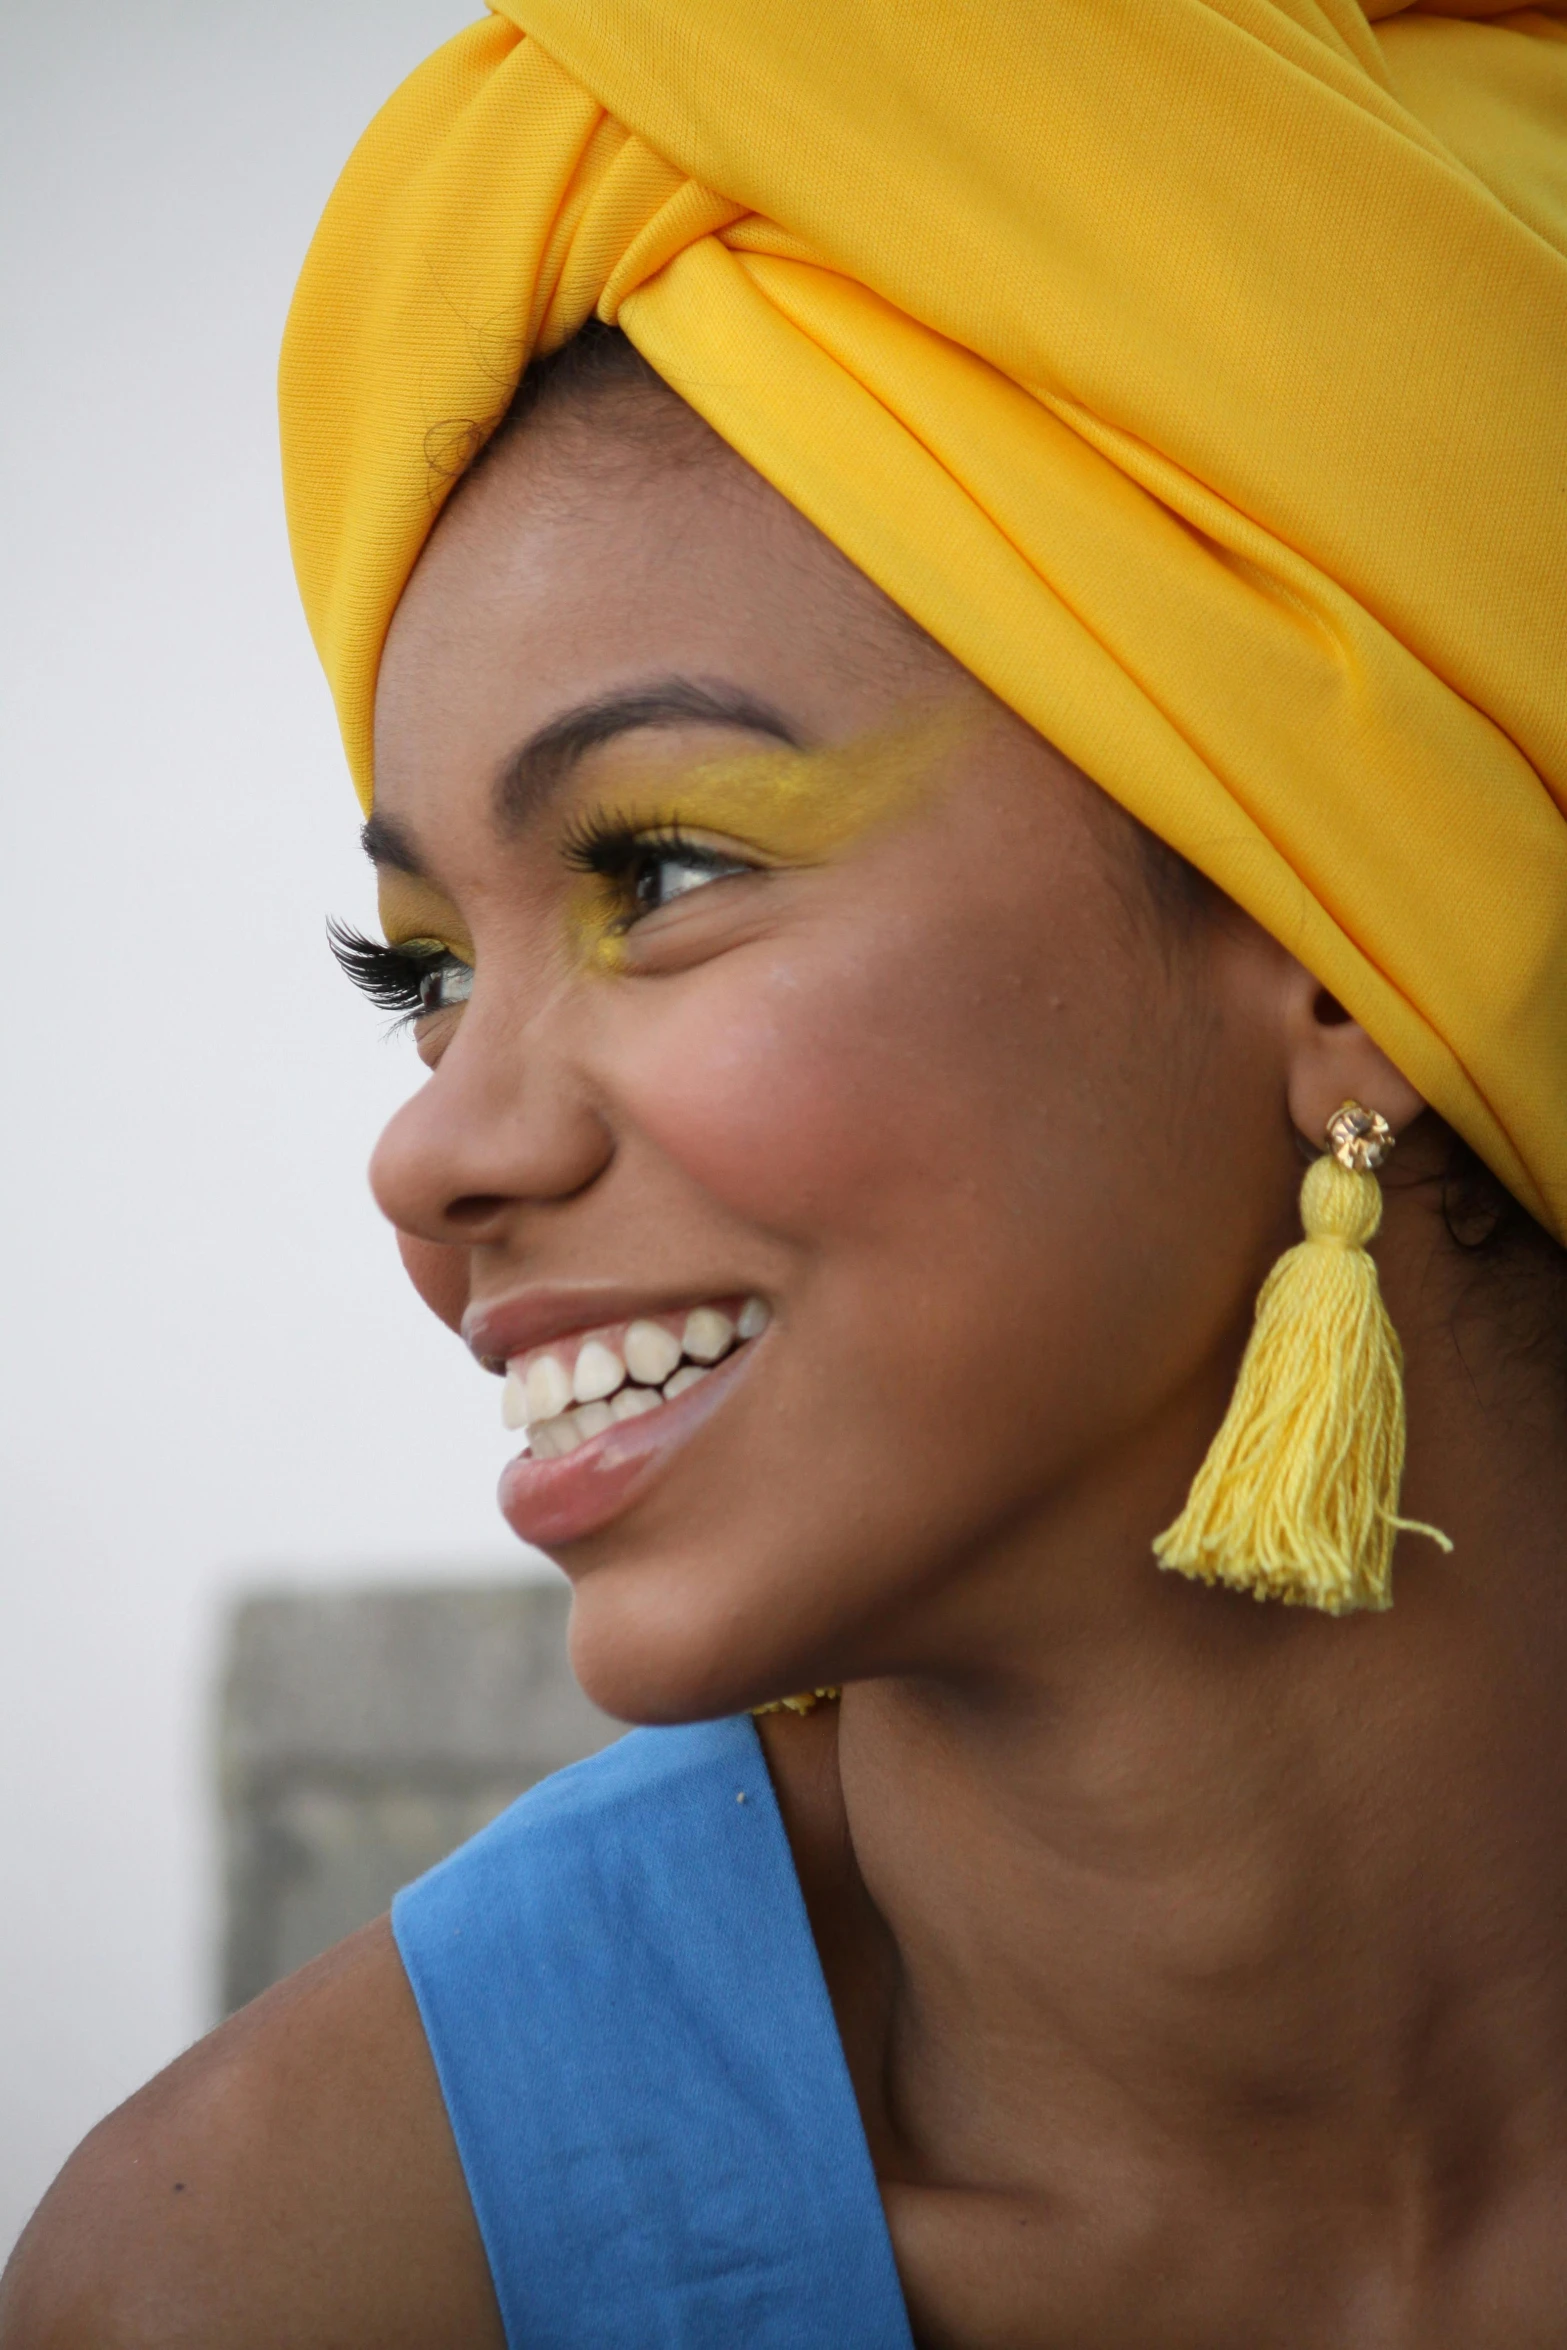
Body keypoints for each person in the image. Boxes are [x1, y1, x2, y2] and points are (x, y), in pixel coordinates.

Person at [4, 0, 1565, 2342]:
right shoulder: (280, 2276)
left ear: (1343, 944)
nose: (440, 1139)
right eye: (415, 965)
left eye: (659, 870)